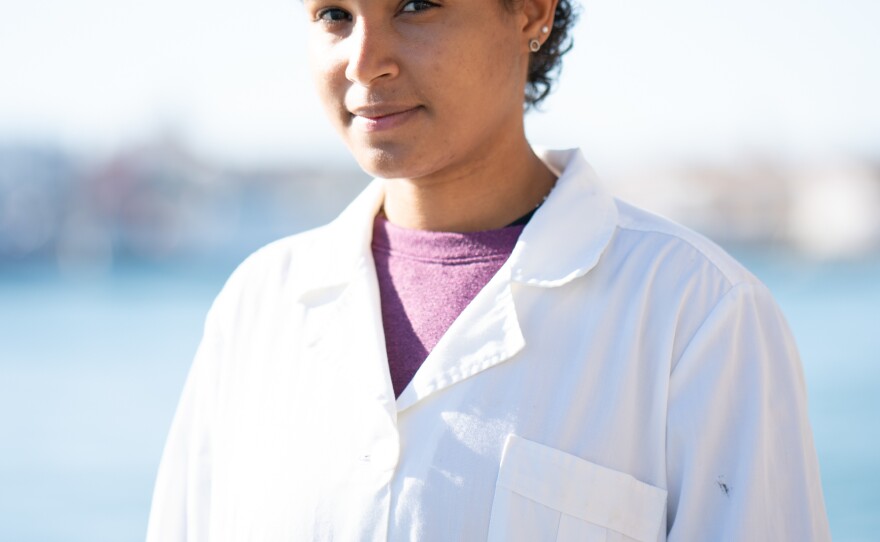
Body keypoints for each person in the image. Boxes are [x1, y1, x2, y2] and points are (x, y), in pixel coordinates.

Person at [147, 0, 831, 539]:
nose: (365, 62)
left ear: (533, 10)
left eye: (416, 5)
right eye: (334, 14)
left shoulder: (698, 313)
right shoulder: (258, 307)